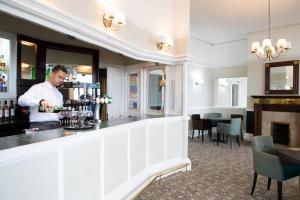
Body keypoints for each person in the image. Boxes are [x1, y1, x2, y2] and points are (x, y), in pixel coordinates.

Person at [18, 65, 67, 130]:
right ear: (52, 74)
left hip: (56, 126)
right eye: (60, 77)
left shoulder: (59, 94)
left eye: (63, 78)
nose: (61, 80)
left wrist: (62, 113)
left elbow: (57, 115)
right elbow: (20, 100)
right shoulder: (37, 87)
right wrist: (40, 102)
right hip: (38, 126)